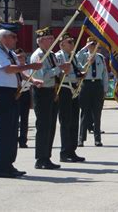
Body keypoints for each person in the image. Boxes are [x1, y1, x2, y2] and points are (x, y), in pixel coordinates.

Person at [0, 27, 43, 178]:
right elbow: (8, 69)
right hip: (1, 94)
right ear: (5, 37)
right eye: (14, 37)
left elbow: (19, 72)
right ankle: (2, 168)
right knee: (5, 132)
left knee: (12, 132)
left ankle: (9, 165)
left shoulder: (9, 52)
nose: (16, 40)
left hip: (12, 94)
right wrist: (30, 66)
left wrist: (33, 80)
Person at [31, 27, 71, 170]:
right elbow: (42, 75)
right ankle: (40, 158)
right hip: (41, 92)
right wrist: (59, 68)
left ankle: (46, 157)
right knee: (43, 126)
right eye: (49, 39)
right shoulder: (39, 56)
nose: (52, 41)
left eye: (52, 39)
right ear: (40, 41)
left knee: (51, 126)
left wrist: (63, 71)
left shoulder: (52, 55)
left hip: (52, 91)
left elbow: (55, 74)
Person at [55, 33, 85, 162]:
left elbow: (77, 70)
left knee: (74, 121)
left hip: (74, 90)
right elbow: (60, 75)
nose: (73, 44)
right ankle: (64, 152)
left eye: (73, 41)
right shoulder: (58, 56)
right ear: (62, 44)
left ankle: (72, 150)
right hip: (65, 89)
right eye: (70, 42)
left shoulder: (74, 57)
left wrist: (82, 73)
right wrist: (75, 76)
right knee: (66, 121)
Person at [77, 37, 109, 147]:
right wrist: (86, 47)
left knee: (97, 113)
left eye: (94, 44)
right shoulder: (83, 56)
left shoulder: (100, 57)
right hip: (86, 85)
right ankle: (81, 138)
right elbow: (76, 58)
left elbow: (105, 74)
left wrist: (105, 89)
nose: (92, 46)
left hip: (97, 86)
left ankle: (97, 139)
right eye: (90, 44)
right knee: (85, 113)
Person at [14, 48, 32, 148]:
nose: (21, 59)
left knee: (25, 118)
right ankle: (14, 139)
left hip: (25, 93)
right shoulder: (14, 68)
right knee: (15, 118)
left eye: (23, 57)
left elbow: (29, 81)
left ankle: (23, 140)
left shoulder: (28, 68)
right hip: (16, 94)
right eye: (19, 57)